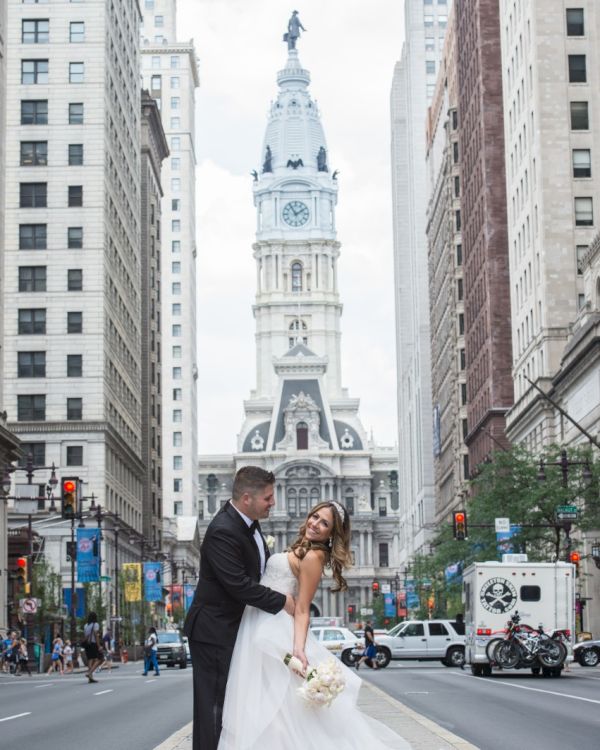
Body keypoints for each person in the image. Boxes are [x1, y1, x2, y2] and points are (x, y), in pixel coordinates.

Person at [218, 502, 409, 750]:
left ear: (332, 534)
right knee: (269, 712)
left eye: (324, 523)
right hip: (259, 624)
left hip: (272, 631)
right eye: (315, 516)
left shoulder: (313, 557)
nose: (315, 524)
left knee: (275, 714)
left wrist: (298, 648)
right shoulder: (304, 550)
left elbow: (303, 608)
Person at [184, 466, 295, 750]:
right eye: (268, 498)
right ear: (247, 498)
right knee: (214, 706)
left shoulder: (250, 524)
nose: (273, 503)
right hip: (214, 631)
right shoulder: (223, 529)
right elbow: (239, 585)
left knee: (234, 705)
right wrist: (283, 602)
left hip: (236, 628)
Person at [82, 612, 103, 683]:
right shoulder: (95, 624)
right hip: (93, 644)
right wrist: (99, 646)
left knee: (90, 660)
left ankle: (90, 678)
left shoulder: (86, 625)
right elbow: (96, 635)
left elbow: (85, 635)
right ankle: (89, 672)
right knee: (100, 659)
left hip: (87, 644)